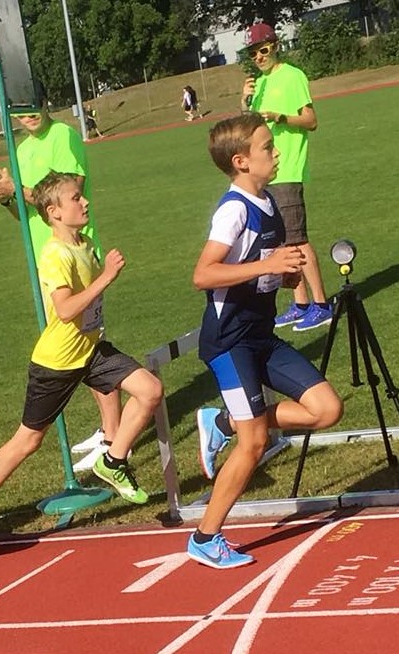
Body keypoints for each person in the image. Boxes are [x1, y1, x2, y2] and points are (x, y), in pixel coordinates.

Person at [0, 172, 163, 560]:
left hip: (91, 352)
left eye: (83, 197)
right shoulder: (55, 254)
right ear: (54, 212)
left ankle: (113, 461)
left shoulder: (86, 244)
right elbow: (67, 310)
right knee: (29, 440)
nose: (85, 203)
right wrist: (106, 278)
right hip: (56, 362)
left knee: (150, 390)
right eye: (76, 199)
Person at [190, 113, 343, 569]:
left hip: (260, 335)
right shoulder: (234, 209)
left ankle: (223, 422)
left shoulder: (269, 201)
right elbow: (203, 274)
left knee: (327, 409)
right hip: (228, 341)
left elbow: (262, 275)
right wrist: (268, 266)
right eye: (267, 148)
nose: (276, 154)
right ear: (241, 161)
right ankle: (204, 537)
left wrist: (286, 271)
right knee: (254, 442)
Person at [0, 104, 121, 470]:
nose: (27, 118)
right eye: (18, 114)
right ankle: (108, 432)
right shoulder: (22, 150)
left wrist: (17, 188)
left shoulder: (62, 136)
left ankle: (114, 438)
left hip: (76, 255)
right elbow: (31, 212)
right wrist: (5, 197)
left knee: (89, 341)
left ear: (43, 103)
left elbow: (71, 195)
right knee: (76, 347)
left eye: (31, 109)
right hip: (48, 259)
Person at [243, 22, 331, 332]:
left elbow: (311, 120)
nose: (259, 57)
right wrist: (246, 101)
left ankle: (322, 304)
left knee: (298, 239)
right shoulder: (259, 85)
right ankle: (301, 303)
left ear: (275, 45)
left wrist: (280, 116)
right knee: (283, 242)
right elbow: (247, 128)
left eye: (263, 50)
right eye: (253, 53)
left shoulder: (292, 76)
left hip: (288, 168)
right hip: (266, 174)